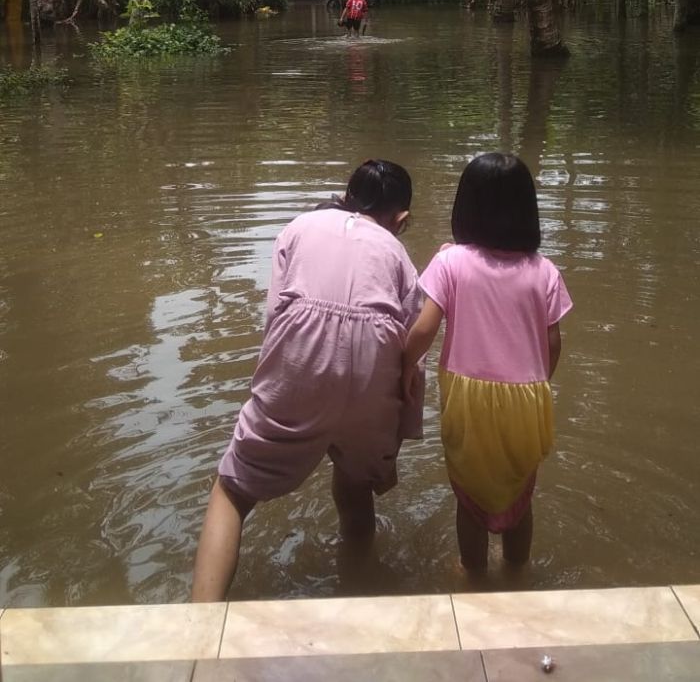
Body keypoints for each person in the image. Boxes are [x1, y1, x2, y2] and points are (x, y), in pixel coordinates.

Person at [191, 159, 423, 601]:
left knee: (233, 488)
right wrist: (399, 431)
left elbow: (276, 318)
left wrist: (274, 391)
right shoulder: (396, 253)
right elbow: (413, 352)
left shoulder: (300, 226)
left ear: (345, 195)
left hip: (301, 360)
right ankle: (355, 596)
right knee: (356, 485)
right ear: (401, 219)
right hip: (376, 368)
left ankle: (200, 626)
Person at [403, 152, 572, 572]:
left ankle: (472, 571)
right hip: (528, 397)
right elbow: (553, 343)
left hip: (468, 399)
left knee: (469, 497)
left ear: (466, 207)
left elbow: (423, 329)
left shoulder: (450, 262)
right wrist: (535, 382)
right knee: (520, 493)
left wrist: (403, 367)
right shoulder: (544, 270)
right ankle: (518, 567)